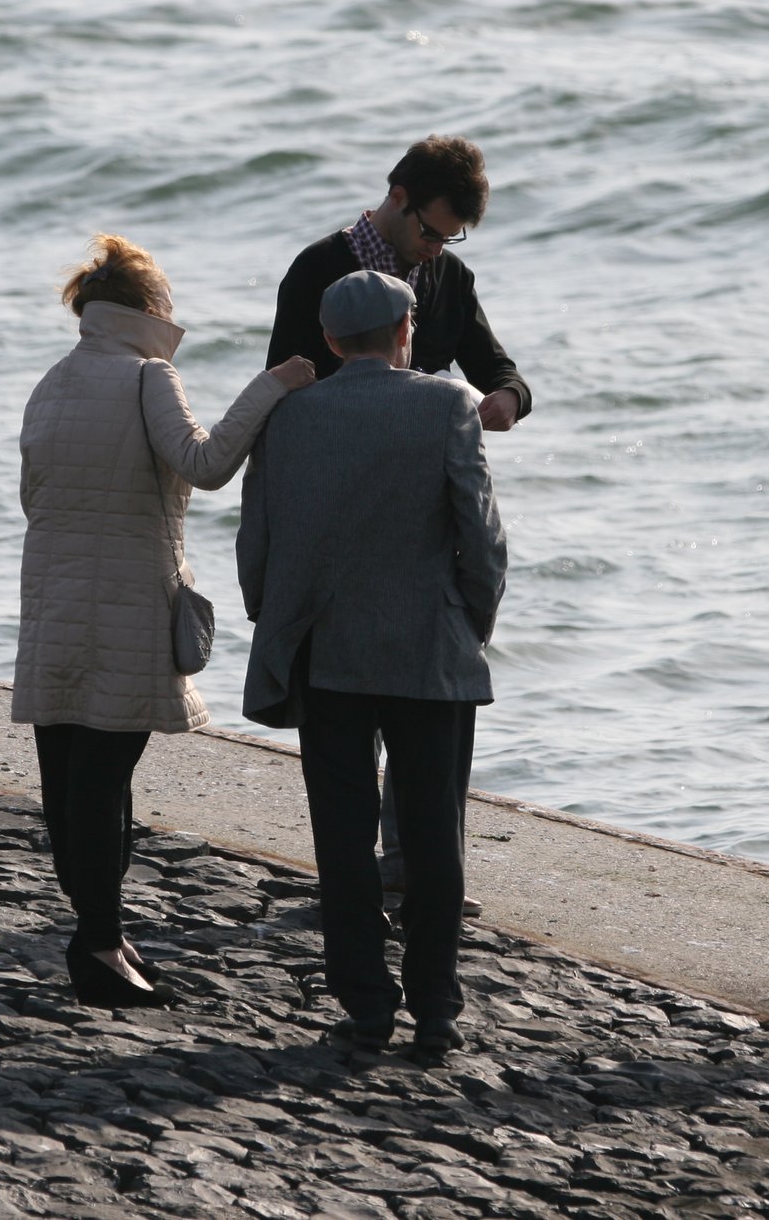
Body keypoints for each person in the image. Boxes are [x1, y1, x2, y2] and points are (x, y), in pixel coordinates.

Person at [15, 234, 315, 1008]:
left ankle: (100, 933)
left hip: (52, 603)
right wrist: (273, 383)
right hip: (126, 609)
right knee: (106, 784)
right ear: (147, 310)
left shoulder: (52, 382)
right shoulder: (149, 375)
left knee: (71, 781)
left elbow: (34, 498)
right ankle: (99, 946)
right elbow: (206, 463)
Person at [239, 270, 507, 1057]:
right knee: (433, 837)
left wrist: (275, 625)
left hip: (327, 654)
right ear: (405, 331)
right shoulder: (448, 404)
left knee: (343, 838)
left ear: (327, 340)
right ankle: (436, 1008)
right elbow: (482, 539)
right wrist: (470, 623)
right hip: (429, 651)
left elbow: (257, 543)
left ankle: (365, 1004)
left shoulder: (289, 416)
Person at [268, 135, 528, 904]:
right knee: (349, 721)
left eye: (450, 239)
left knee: (438, 717)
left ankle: (424, 868)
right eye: (430, 231)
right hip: (342, 525)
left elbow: (500, 367)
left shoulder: (448, 276)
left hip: (426, 527)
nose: (435, 247)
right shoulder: (320, 271)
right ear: (400, 196)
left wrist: (506, 400)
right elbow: (283, 395)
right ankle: (360, 875)